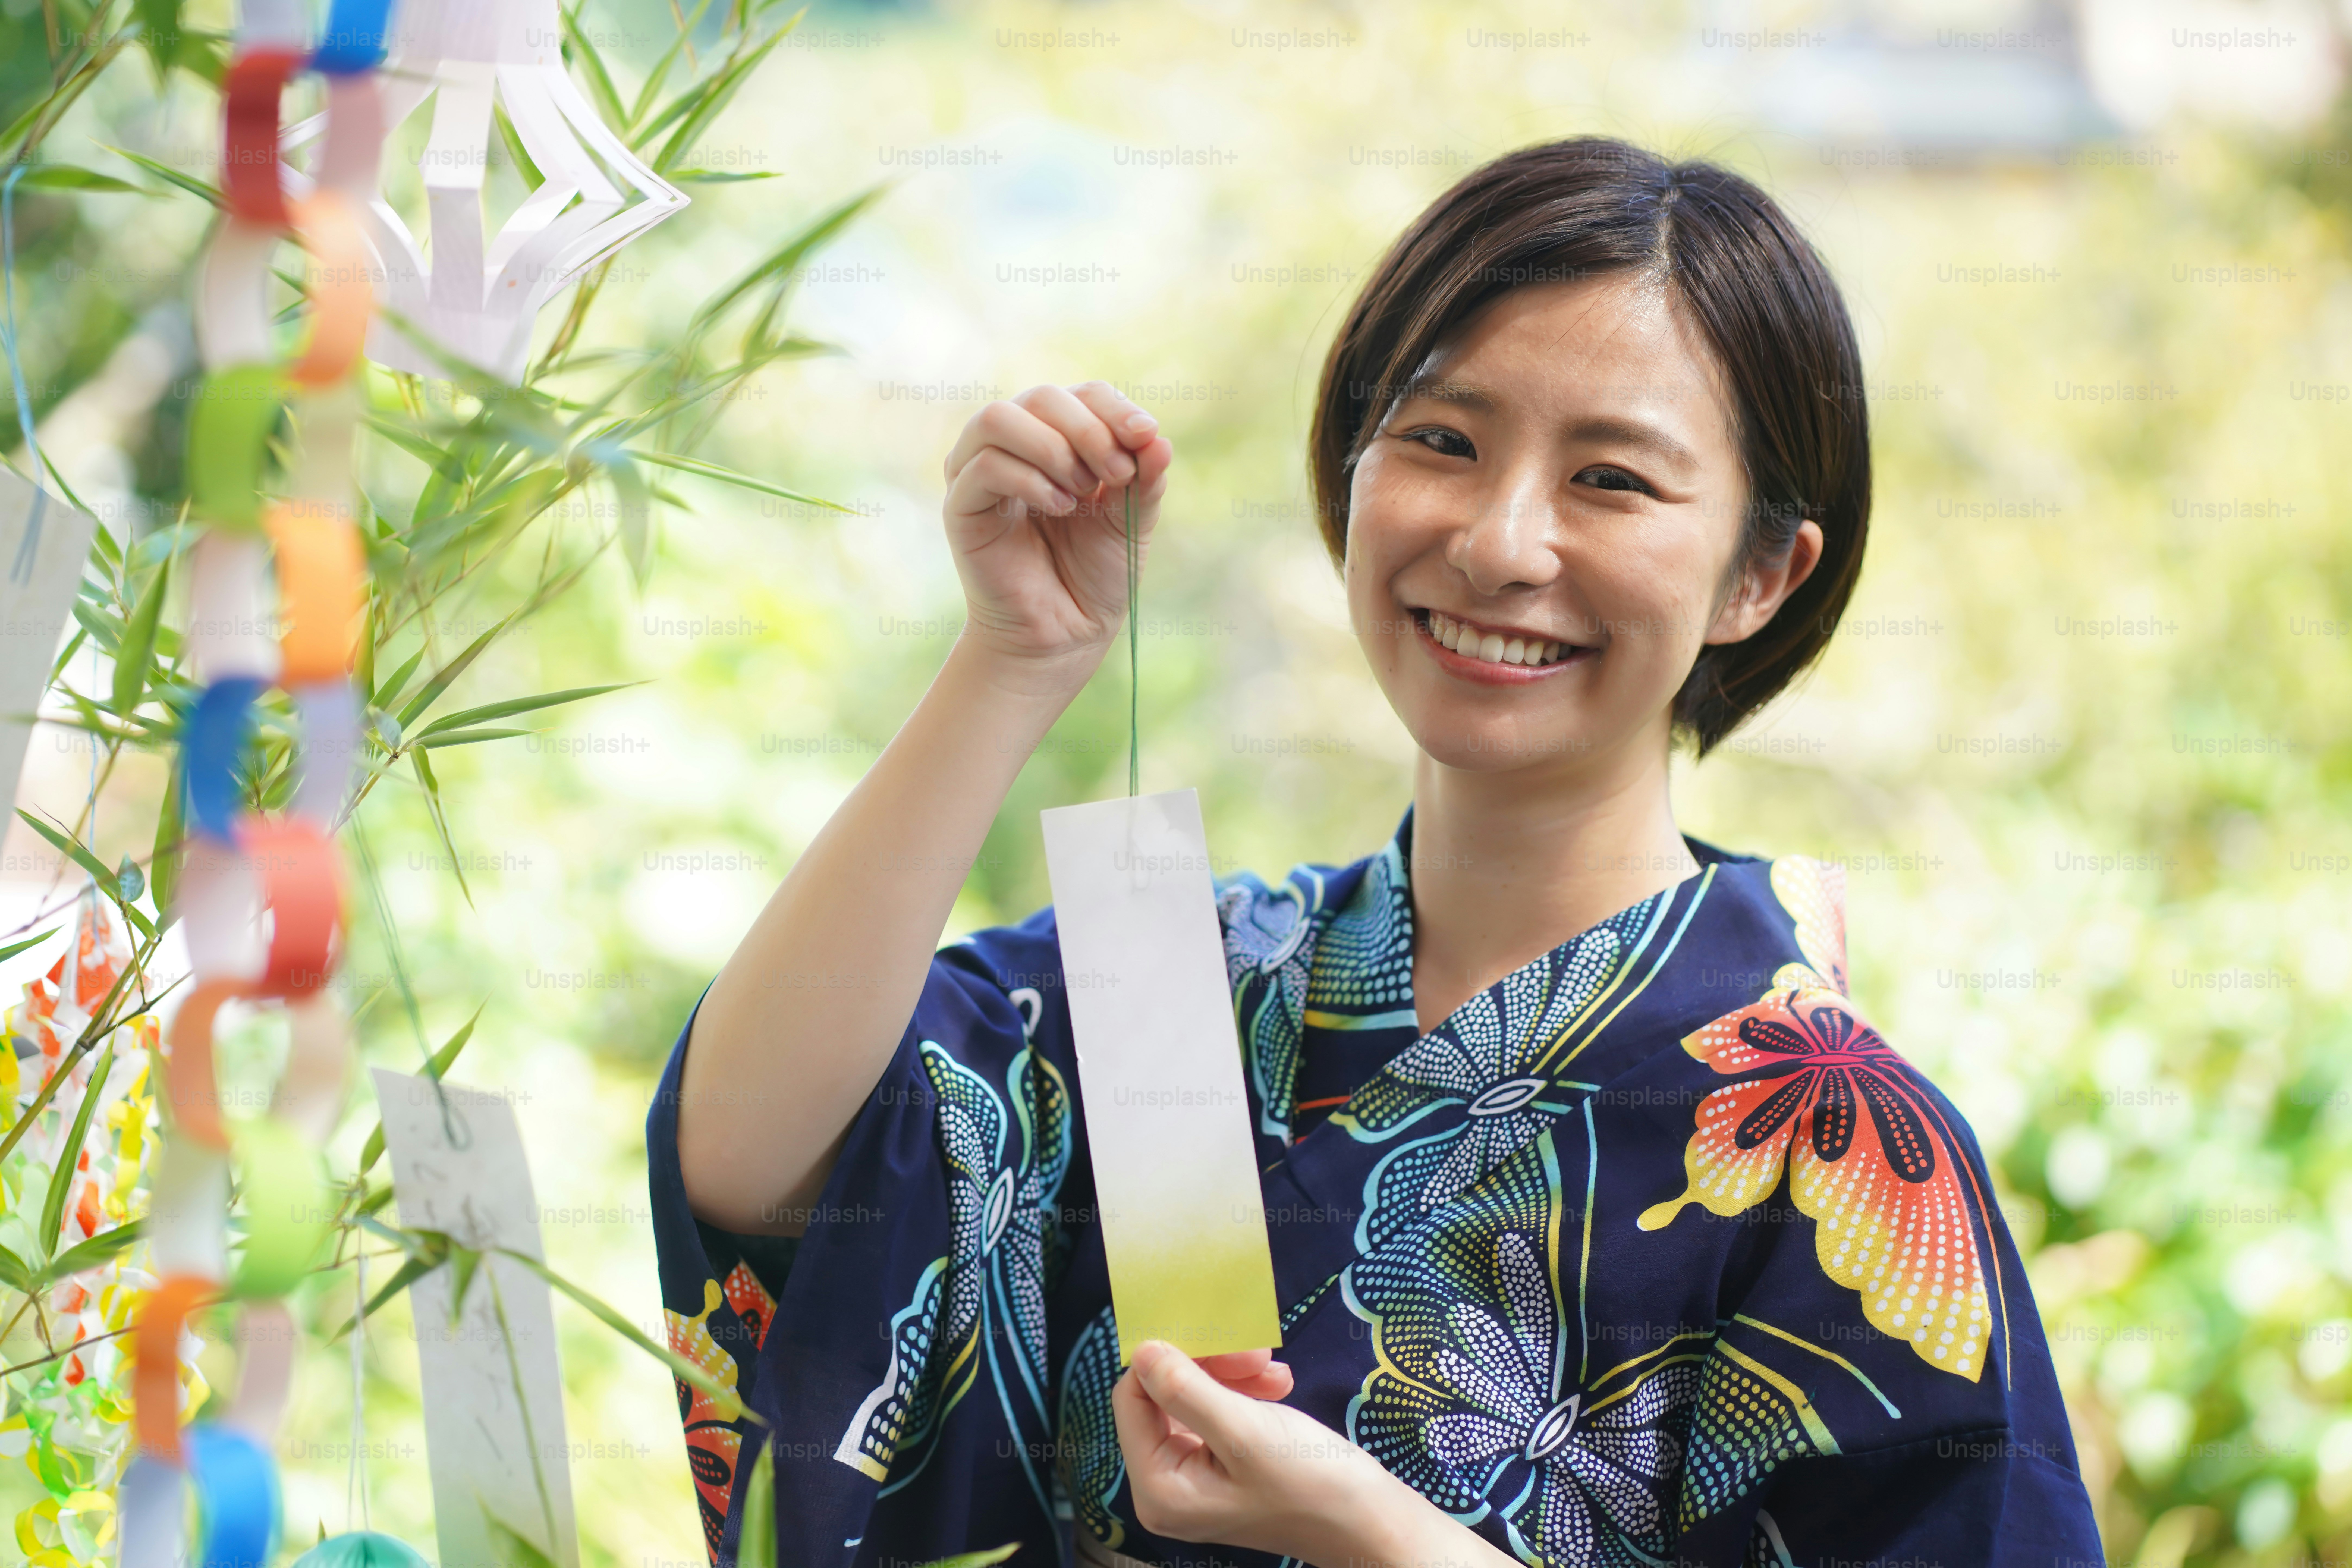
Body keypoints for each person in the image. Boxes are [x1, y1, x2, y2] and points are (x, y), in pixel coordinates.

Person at [645, 136, 2105, 1567]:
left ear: (1759, 573)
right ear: (1351, 468)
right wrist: (1012, 662)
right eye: (1442, 441)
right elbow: (762, 1171)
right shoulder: (1177, 986)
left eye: (1612, 480)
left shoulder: (1834, 1146)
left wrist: (1367, 1532)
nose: (1496, 542)